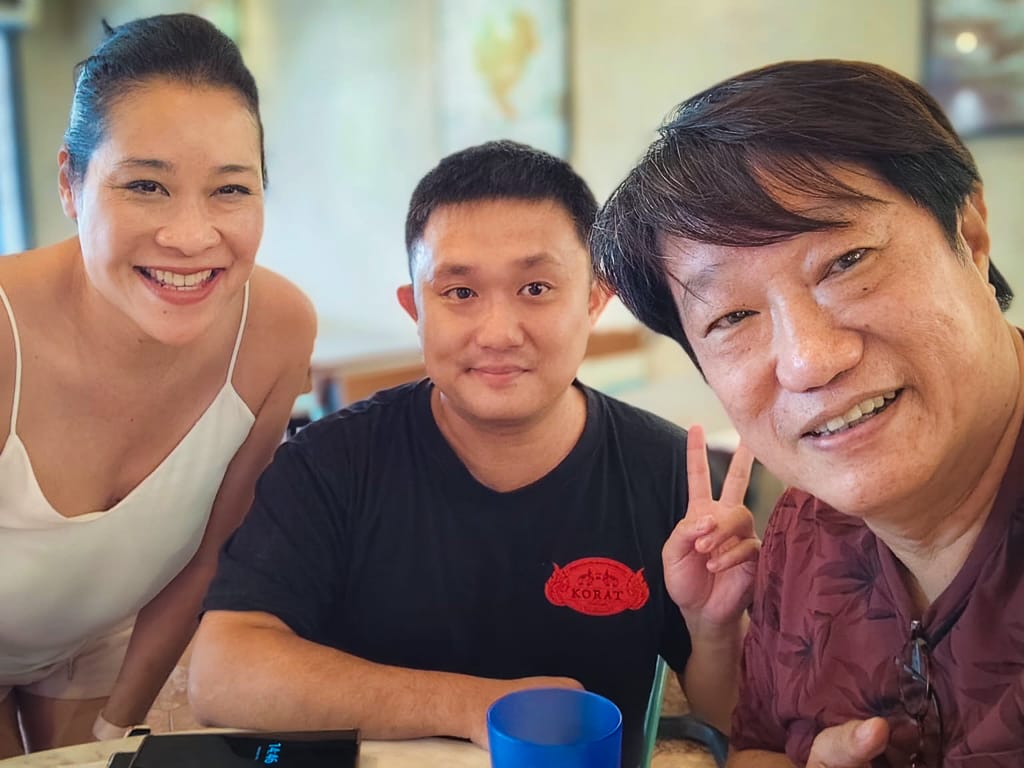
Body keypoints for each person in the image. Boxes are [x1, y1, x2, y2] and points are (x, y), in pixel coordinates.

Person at [189, 140, 758, 768]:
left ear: (595, 300)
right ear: (415, 308)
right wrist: (474, 706)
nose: (497, 333)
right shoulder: (331, 463)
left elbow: (732, 719)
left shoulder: (668, 473)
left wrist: (714, 628)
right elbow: (221, 674)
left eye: (536, 287)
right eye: (459, 293)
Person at [591, 59, 1024, 766]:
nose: (807, 362)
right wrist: (713, 629)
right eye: (732, 317)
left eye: (846, 261)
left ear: (969, 235)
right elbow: (759, 743)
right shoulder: (805, 529)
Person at [0, 14, 316, 756]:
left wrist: (117, 729)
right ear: (70, 183)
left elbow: (209, 555)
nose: (191, 236)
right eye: (146, 185)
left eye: (230, 189)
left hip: (97, 637)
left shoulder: (276, 330)